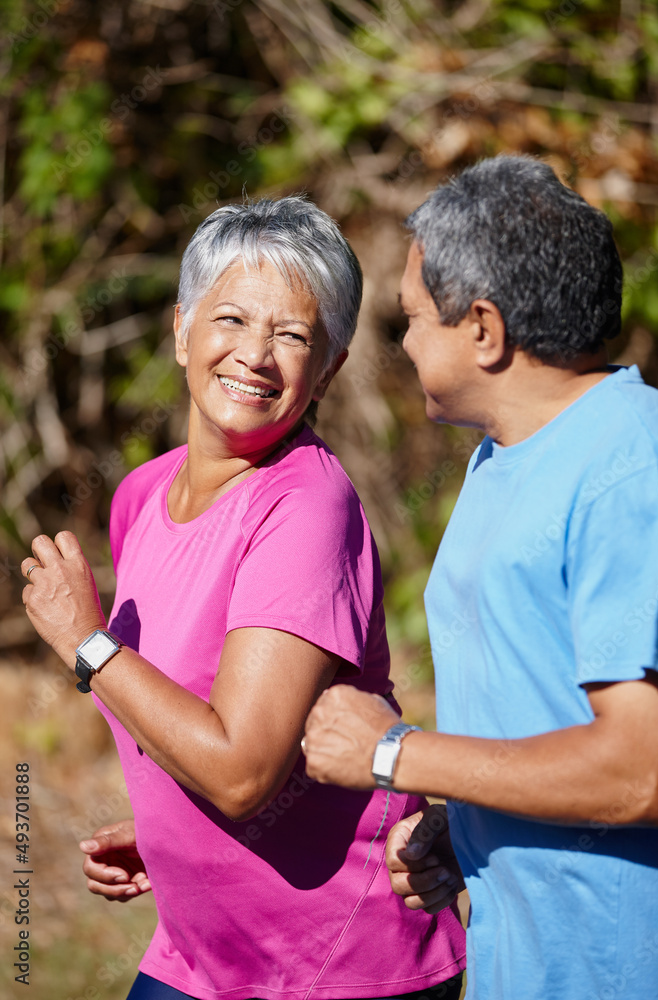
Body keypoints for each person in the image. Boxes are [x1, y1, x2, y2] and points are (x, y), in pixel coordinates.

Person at [21, 197, 466, 1000]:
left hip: (334, 963)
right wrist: (173, 838)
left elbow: (238, 774)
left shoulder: (305, 508)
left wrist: (88, 644)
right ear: (183, 327)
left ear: (327, 367)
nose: (255, 355)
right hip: (202, 949)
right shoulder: (140, 495)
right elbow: (185, 711)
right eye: (230, 318)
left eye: (293, 335)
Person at [302, 156, 658, 1000]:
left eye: (415, 319)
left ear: (484, 330)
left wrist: (396, 754)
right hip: (522, 964)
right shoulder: (499, 456)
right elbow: (536, 714)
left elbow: (644, 769)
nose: (403, 342)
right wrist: (463, 827)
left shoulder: (628, 467)